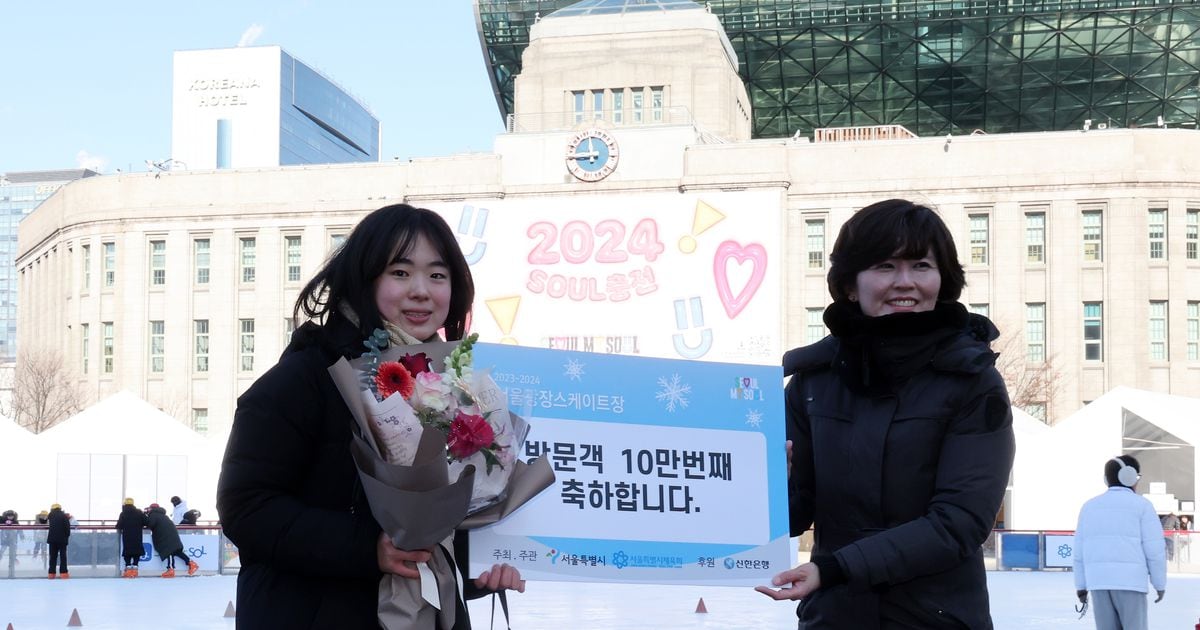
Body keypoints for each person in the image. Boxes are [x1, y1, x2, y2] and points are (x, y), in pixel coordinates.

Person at [217, 203, 525, 629]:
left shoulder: (456, 388)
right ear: (364, 279)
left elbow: (457, 516)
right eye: (400, 272)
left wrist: (484, 568)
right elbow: (246, 508)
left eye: (438, 275)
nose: (421, 290)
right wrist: (368, 548)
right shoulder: (304, 378)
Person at [757, 199, 1015, 628]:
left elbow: (959, 523)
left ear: (943, 279)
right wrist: (768, 489)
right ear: (850, 285)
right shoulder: (812, 383)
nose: (904, 282)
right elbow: (795, 512)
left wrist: (837, 568)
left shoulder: (973, 383)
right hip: (835, 618)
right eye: (884, 267)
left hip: (936, 618)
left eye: (920, 266)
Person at [1073, 455, 1167, 630]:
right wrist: (1159, 583)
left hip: (1099, 583)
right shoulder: (1142, 506)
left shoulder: (1089, 507)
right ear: (1129, 476)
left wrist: (1081, 586)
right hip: (1130, 584)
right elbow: (1155, 550)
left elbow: (1079, 552)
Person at [145, 503, 197, 577]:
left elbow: (150, 524)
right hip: (171, 535)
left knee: (169, 551)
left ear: (152, 509)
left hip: (165, 536)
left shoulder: (154, 515)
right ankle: (191, 563)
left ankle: (170, 569)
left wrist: (146, 518)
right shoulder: (163, 515)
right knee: (177, 551)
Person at [116, 498, 147, 578]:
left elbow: (119, 525)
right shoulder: (139, 512)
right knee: (137, 551)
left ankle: (128, 568)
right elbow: (146, 522)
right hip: (137, 535)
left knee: (127, 551)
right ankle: (135, 568)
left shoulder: (123, 513)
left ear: (125, 504)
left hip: (127, 535)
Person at [46, 503, 70, 579]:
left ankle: (51, 574)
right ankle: (64, 573)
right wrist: (66, 536)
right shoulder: (64, 516)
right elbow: (67, 528)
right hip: (62, 540)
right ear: (60, 509)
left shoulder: (50, 516)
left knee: (52, 557)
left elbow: (44, 521)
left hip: (52, 539)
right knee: (63, 557)